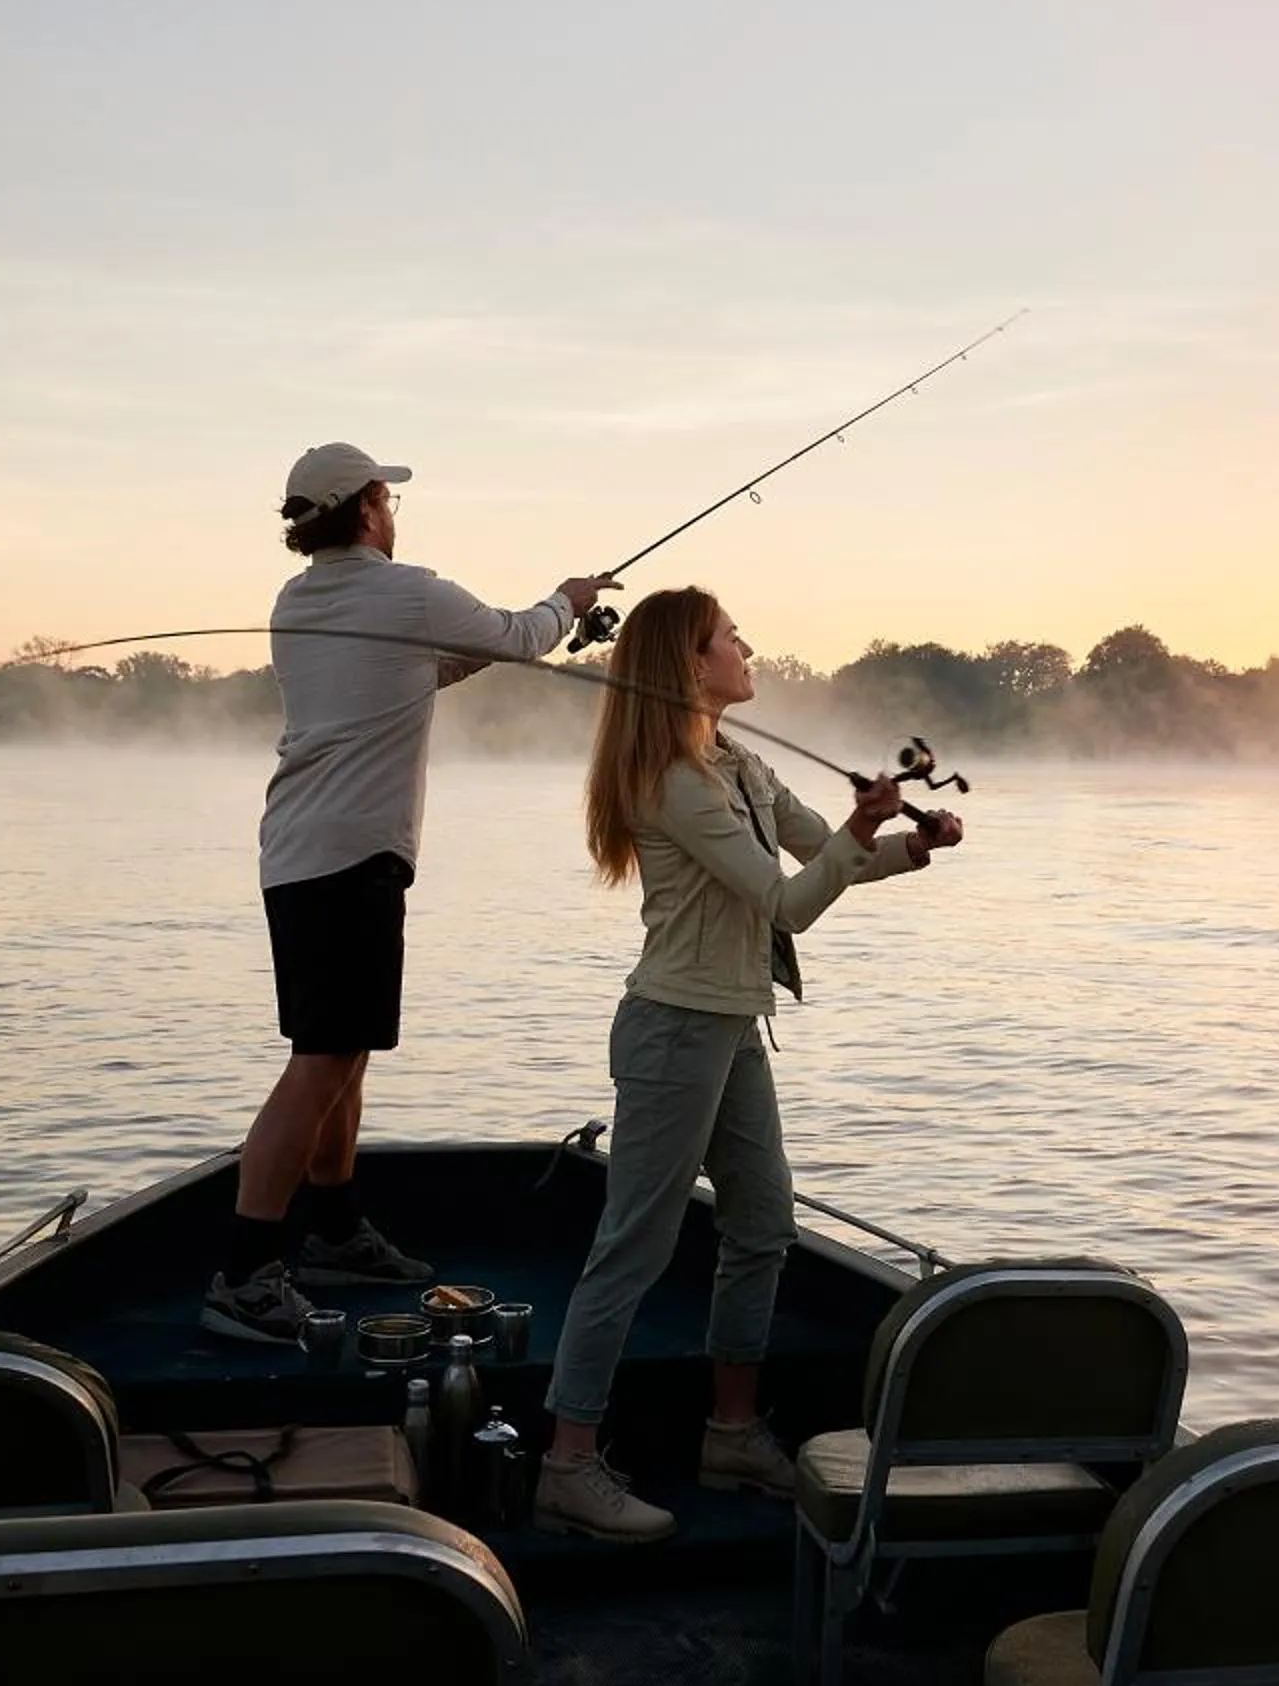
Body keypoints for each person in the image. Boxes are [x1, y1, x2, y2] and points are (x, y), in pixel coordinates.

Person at [534, 587, 963, 1541]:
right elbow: (788, 905)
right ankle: (566, 1464)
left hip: (731, 1025)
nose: (746, 646)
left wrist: (908, 845)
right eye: (730, 637)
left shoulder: (736, 761)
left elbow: (817, 852)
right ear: (691, 663)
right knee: (633, 1249)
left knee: (762, 1224)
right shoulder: (674, 782)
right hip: (675, 1030)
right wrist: (861, 840)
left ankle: (730, 1432)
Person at [204, 442, 619, 1344]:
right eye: (387, 498)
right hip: (350, 857)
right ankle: (243, 1275)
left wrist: (498, 648)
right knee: (320, 1061)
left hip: (302, 852)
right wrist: (571, 601)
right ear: (363, 509)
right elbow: (516, 633)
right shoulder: (406, 590)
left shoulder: (299, 603)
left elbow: (422, 671)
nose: (396, 512)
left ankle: (337, 1230)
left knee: (342, 1052)